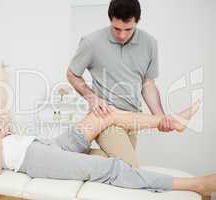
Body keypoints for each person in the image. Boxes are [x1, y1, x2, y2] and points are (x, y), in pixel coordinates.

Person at [0, 101, 215, 196]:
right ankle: (195, 184)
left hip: (45, 146)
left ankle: (170, 121)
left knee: (104, 114)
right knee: (108, 168)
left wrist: (5, 134)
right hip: (35, 160)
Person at [67, 0, 174, 167]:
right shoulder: (92, 42)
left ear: (136, 21)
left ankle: (67, 154)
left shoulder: (150, 43)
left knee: (117, 172)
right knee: (130, 169)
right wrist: (92, 98)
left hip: (133, 119)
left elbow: (148, 84)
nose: (122, 35)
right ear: (110, 19)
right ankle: (64, 154)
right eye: (116, 29)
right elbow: (72, 74)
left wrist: (159, 117)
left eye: (128, 29)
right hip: (105, 117)